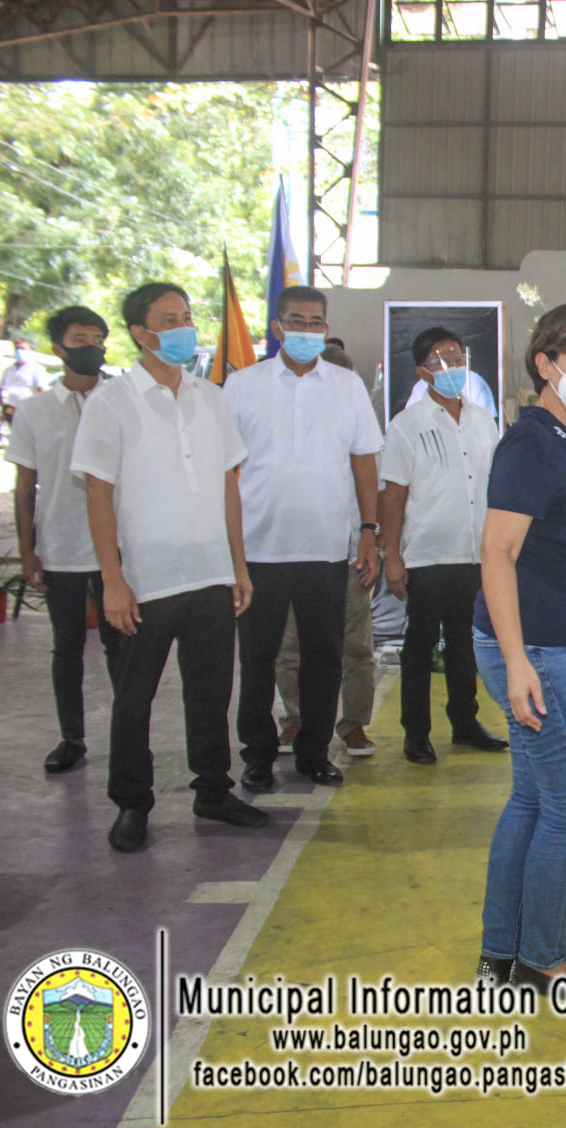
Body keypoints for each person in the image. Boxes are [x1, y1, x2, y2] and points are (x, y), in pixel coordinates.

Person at [70, 282, 268, 852]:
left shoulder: (210, 398)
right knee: (134, 698)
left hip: (210, 574)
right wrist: (112, 579)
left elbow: (229, 486)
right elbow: (98, 496)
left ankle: (213, 791)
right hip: (144, 581)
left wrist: (239, 565)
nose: (184, 327)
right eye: (169, 319)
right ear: (140, 333)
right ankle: (133, 803)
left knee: (210, 693)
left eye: (186, 316)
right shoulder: (112, 403)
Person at [474, 303, 566, 989]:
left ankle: (501, 953)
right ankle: (544, 961)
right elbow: (496, 555)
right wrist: (517, 662)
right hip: (540, 653)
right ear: (546, 364)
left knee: (533, 803)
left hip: (547, 646)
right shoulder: (532, 444)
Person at [224, 285, 382, 792]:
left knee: (323, 657)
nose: (307, 331)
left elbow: (364, 461)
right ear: (277, 327)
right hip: (259, 551)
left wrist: (368, 532)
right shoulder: (241, 385)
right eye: (297, 321)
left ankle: (315, 751)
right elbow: (225, 472)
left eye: (316, 323)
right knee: (258, 659)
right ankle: (257, 754)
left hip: (326, 550)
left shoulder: (346, 386)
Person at [381, 329, 507, 764]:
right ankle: (416, 733)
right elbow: (393, 497)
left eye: (458, 357)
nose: (453, 367)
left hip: (474, 553)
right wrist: (392, 557)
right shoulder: (407, 425)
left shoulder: (482, 419)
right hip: (427, 556)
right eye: (441, 360)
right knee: (419, 646)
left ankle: (466, 723)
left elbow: (495, 485)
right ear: (423, 372)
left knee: (464, 644)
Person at [8, 306, 123, 774]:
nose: (91, 346)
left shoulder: (121, 401)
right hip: (60, 547)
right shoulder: (34, 412)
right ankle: (71, 737)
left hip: (118, 550)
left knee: (123, 647)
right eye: (80, 338)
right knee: (67, 647)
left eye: (98, 337)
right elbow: (24, 488)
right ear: (58, 348)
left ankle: (128, 734)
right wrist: (28, 550)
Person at [272, 340, 380, 759]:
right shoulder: (288, 432)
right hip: (291, 554)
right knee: (291, 646)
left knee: (355, 646)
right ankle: (295, 719)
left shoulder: (362, 430)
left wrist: (374, 545)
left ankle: (353, 724)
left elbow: (379, 489)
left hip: (351, 553)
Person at [401, 328, 499, 417]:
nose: (452, 368)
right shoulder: (420, 389)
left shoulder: (474, 382)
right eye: (442, 362)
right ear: (423, 371)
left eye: (457, 360)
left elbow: (487, 426)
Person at [0, 338, 48, 424]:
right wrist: (3, 409)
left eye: (23, 349)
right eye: (17, 349)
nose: (20, 351)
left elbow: (41, 390)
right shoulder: (9, 370)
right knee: (13, 430)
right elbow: (0, 390)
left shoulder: (36, 369)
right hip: (12, 408)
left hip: (29, 408)